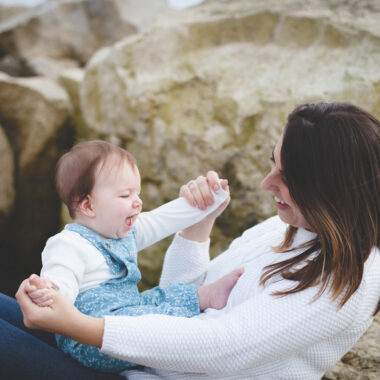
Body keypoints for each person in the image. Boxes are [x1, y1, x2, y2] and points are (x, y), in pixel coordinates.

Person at [3, 102, 380, 380]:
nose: (267, 183)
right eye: (273, 162)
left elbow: (220, 346)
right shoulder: (288, 226)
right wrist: (198, 224)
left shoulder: (344, 280)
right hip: (131, 359)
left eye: (287, 176)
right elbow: (179, 298)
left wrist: (80, 326)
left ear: (330, 188)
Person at [17, 140, 243, 373]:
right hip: (90, 339)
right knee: (145, 318)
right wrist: (49, 293)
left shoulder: (123, 232)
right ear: (88, 205)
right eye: (126, 195)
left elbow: (163, 219)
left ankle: (205, 296)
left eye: (138, 192)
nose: (138, 201)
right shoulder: (69, 244)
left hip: (127, 313)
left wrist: (208, 201)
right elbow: (61, 277)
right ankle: (190, 327)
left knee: (156, 297)